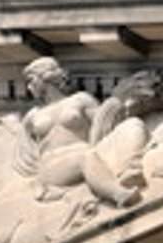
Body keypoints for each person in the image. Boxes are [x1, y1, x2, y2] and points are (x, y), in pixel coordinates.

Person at [17, 57, 149, 208]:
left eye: (31, 80)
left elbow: (103, 124)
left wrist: (121, 103)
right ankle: (118, 194)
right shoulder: (32, 116)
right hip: (53, 167)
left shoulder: (81, 100)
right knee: (83, 159)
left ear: (45, 77)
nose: (29, 87)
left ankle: (130, 170)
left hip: (89, 154)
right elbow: (28, 156)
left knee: (133, 125)